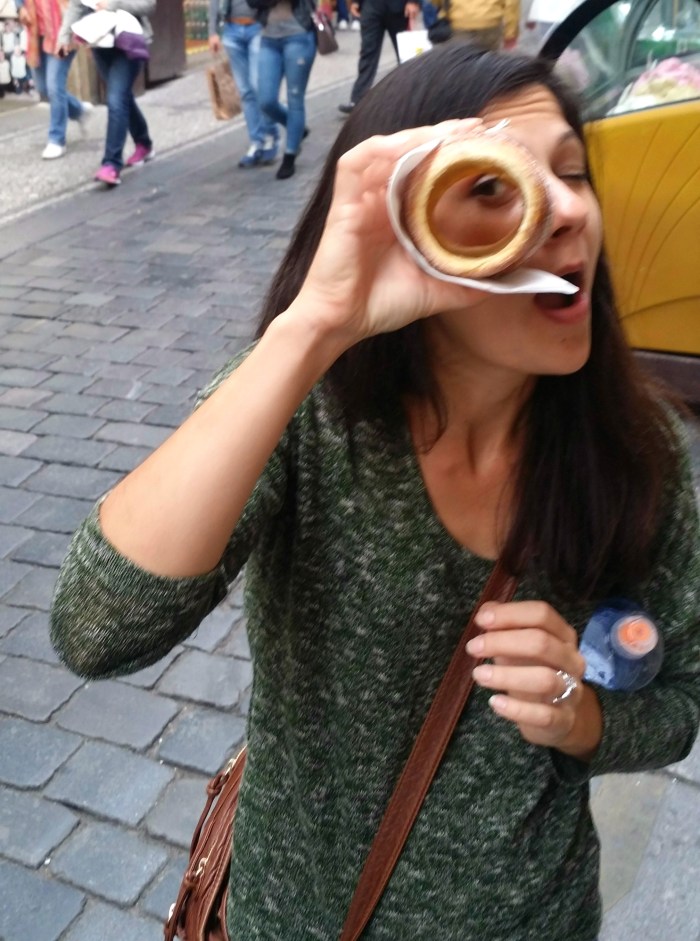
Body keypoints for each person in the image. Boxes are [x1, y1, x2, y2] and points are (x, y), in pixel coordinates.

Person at [51, 44, 700, 940]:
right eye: (491, 186)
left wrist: (582, 715)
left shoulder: (639, 446)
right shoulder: (312, 417)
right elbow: (96, 628)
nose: (564, 212)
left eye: (572, 172)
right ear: (410, 224)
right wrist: (311, 328)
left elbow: (680, 701)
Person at [58, 0, 155, 187]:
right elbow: (77, 5)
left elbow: (148, 5)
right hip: (101, 43)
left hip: (130, 41)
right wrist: (64, 37)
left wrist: (112, 4)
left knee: (116, 99)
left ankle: (111, 163)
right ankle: (144, 143)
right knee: (122, 97)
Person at [16, 0, 93, 160]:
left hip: (63, 32)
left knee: (54, 86)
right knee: (43, 88)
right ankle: (78, 110)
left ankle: (57, 139)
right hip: (36, 33)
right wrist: (20, 6)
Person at [208, 0, 279, 169]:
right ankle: (256, 141)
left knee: (257, 85)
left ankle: (270, 134)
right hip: (231, 28)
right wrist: (212, 32)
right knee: (245, 91)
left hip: (257, 27)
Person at [255, 0, 317, 180]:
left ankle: (290, 155)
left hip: (299, 35)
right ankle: (296, 128)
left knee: (295, 97)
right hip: (269, 38)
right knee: (266, 101)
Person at [338, 0, 419, 113]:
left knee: (405, 55)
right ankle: (358, 99)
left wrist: (413, 1)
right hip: (371, 7)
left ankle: (413, 97)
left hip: (399, 8)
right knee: (367, 52)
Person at [439, 0, 521, 50]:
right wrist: (510, 33)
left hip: (459, 22)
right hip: (489, 22)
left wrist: (442, 13)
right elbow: (512, 4)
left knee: (461, 63)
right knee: (489, 61)